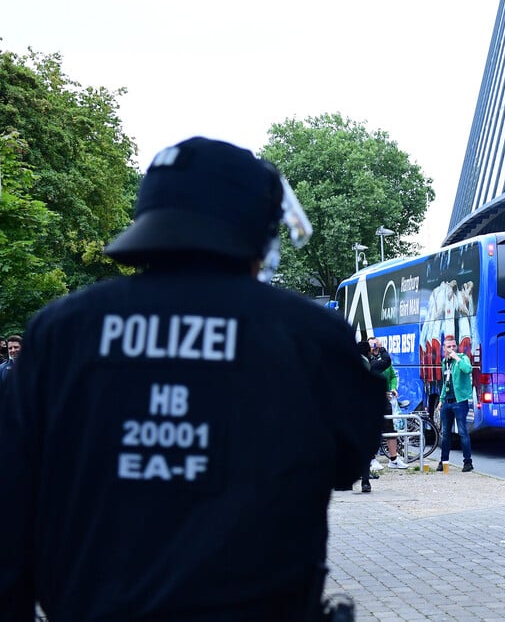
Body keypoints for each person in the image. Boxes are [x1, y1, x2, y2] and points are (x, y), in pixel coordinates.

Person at [0, 137, 384, 621]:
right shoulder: (309, 335)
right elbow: (351, 461)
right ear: (255, 229)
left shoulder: (60, 333)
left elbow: (10, 507)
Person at [367, 336, 407, 469]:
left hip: (385, 399)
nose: (375, 347)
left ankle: (394, 459)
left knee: (390, 428)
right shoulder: (367, 361)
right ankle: (371, 459)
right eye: (372, 345)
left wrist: (393, 388)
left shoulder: (384, 361)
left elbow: (393, 376)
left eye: (376, 344)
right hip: (371, 399)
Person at [435, 334, 474, 472]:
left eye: (453, 346)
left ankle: (468, 462)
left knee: (463, 432)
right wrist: (440, 399)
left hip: (459, 401)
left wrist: (457, 358)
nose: (451, 349)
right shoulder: (444, 362)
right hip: (447, 401)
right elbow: (445, 382)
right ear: (444, 348)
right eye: (448, 347)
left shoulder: (462, 358)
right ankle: (443, 461)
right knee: (445, 433)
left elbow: (468, 369)